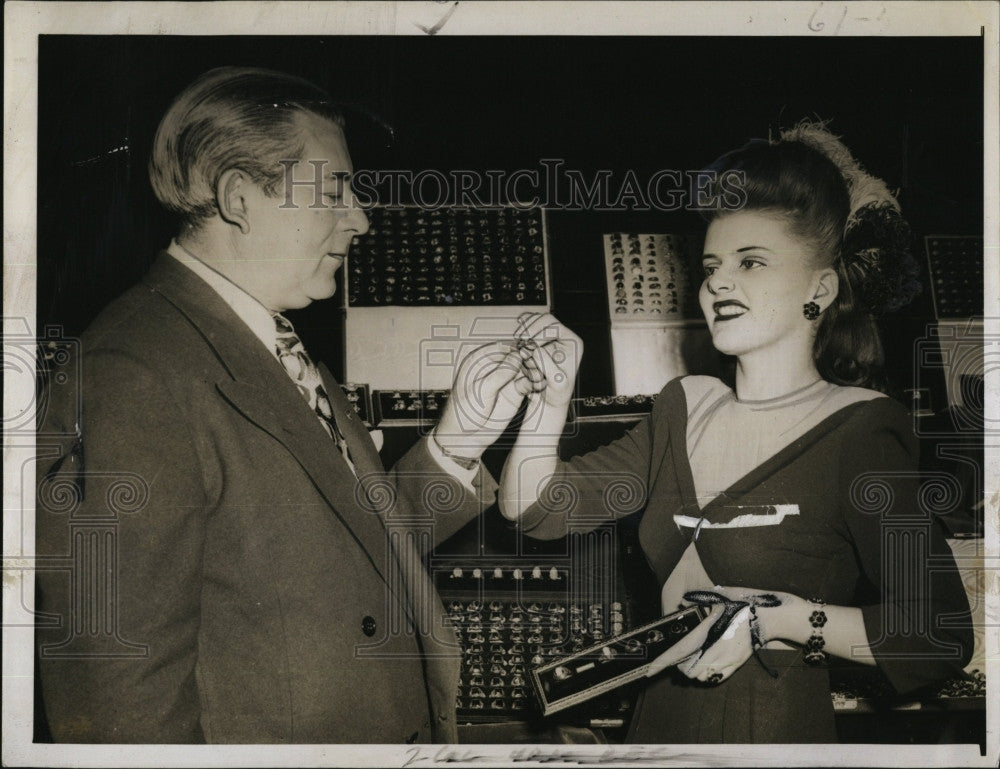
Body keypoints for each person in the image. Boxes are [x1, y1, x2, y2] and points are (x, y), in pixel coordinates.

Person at [34, 66, 533, 743]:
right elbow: (119, 706)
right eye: (334, 190)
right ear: (242, 197)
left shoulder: (271, 347)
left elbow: (347, 558)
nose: (359, 218)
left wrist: (454, 446)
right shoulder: (131, 376)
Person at [498, 122, 973, 743]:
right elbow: (533, 509)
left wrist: (779, 620)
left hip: (771, 734)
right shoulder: (683, 407)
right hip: (656, 731)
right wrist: (550, 402)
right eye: (713, 265)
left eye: (751, 262)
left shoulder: (859, 428)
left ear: (819, 289)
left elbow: (937, 635)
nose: (719, 281)